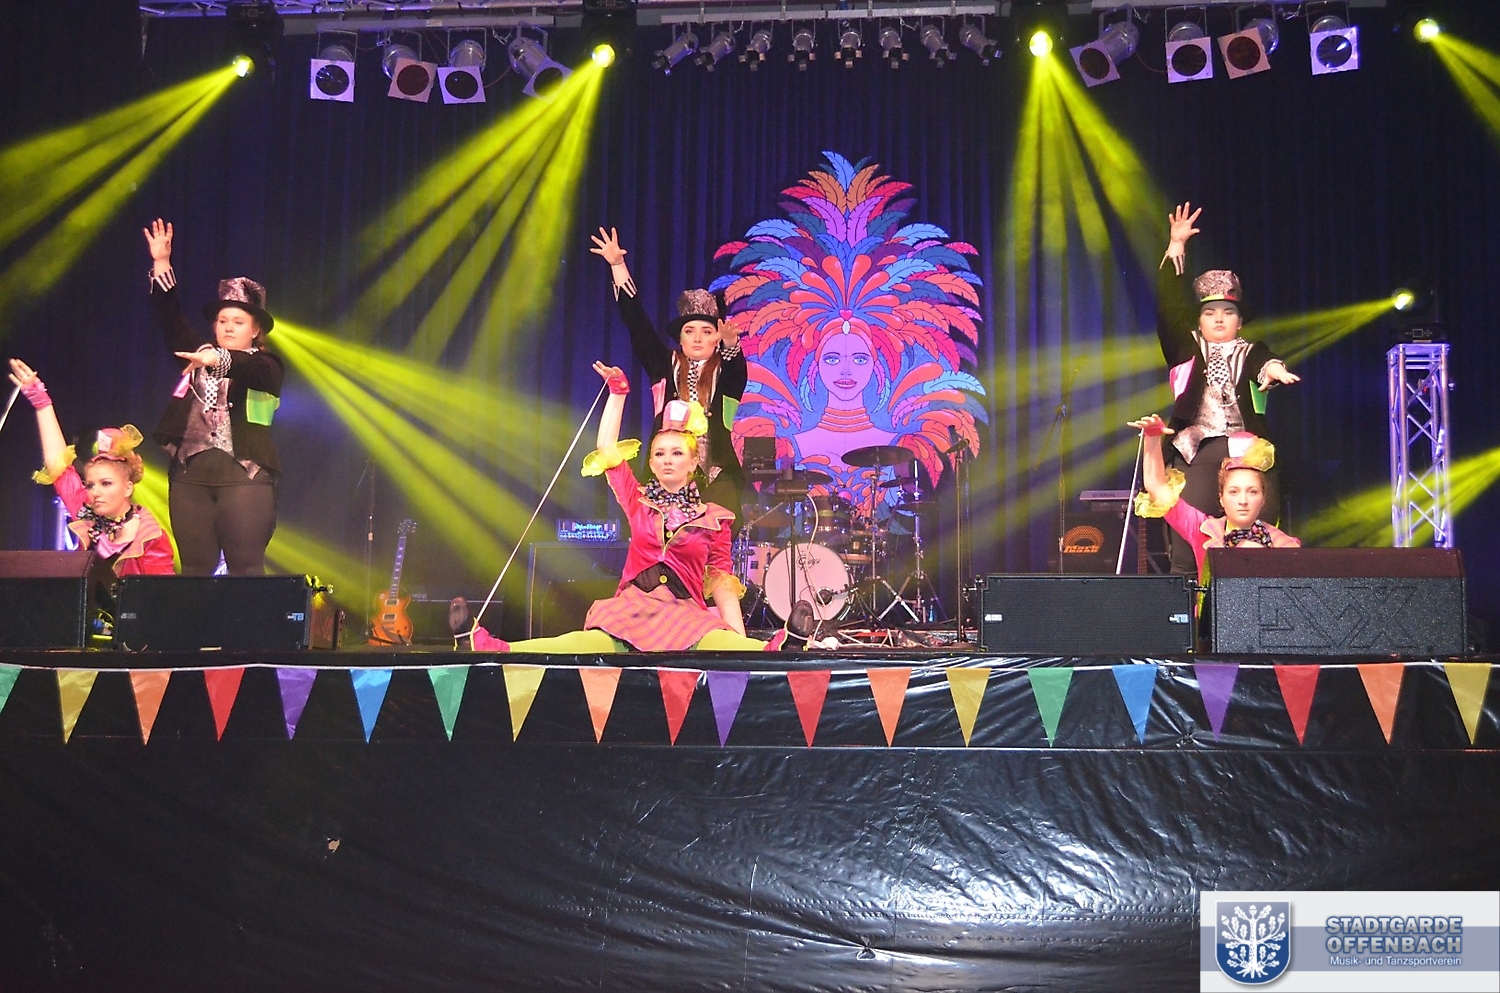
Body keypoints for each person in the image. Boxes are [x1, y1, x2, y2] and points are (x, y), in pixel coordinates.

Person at [454, 361, 814, 653]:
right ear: (652, 463)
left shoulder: (713, 519)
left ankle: (780, 648)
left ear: (693, 463)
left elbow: (722, 585)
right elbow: (607, 450)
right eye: (660, 453)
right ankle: (490, 646)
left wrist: (741, 646)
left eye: (677, 453)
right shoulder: (638, 499)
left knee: (718, 643)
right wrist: (618, 394)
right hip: (631, 610)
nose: (667, 459)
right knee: (582, 644)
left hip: (684, 614)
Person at [1158, 203, 1300, 573]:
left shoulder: (1251, 351)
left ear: (1239, 321)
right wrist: (1176, 248)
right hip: (1196, 451)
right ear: (1199, 320)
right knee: (1189, 547)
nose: (1219, 318)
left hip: (1248, 452)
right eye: (1210, 312)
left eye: (1228, 312)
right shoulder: (1186, 350)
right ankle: (1189, 607)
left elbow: (1264, 362)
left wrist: (1274, 370)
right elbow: (1167, 311)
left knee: (1258, 545)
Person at [143, 218, 284, 575]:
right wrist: (161, 263)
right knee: (194, 570)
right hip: (190, 476)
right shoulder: (199, 353)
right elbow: (171, 319)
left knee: (246, 569)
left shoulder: (267, 365)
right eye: (223, 321)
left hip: (244, 476)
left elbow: (250, 369)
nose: (228, 327)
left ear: (255, 330)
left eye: (238, 321)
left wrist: (215, 359)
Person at [589, 227, 747, 520]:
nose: (697, 338)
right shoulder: (665, 365)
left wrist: (730, 344)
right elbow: (637, 324)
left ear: (716, 339)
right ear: (680, 339)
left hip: (717, 475)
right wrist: (617, 266)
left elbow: (736, 370)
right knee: (657, 534)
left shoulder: (724, 373)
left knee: (715, 538)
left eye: (706, 332)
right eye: (690, 331)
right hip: (666, 476)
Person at [8, 358, 175, 583]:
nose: (95, 492)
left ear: (128, 488)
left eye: (106, 483)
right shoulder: (86, 514)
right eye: (90, 485)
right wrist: (41, 401)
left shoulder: (150, 535)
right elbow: (58, 465)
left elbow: (158, 595)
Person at [1128, 413, 1300, 578]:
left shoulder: (1283, 544)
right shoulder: (1203, 530)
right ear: (1221, 498)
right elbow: (1157, 488)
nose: (1243, 500)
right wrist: (1152, 438)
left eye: (1252, 492)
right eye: (1234, 492)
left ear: (1263, 499)